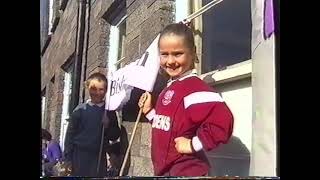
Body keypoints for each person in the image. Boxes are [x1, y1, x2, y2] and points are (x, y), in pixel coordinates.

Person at [138, 23, 234, 176]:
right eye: (164, 54)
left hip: (187, 170)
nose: (170, 61)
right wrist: (149, 111)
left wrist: (192, 144)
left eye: (177, 54)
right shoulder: (168, 88)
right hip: (164, 170)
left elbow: (223, 123)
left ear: (192, 53)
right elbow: (166, 125)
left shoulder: (195, 88)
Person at [63, 72, 120, 177]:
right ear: (87, 88)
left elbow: (115, 135)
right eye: (93, 89)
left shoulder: (109, 111)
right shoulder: (79, 110)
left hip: (98, 158)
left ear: (106, 90)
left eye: (101, 89)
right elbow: (69, 136)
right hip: (79, 157)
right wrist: (67, 158)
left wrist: (107, 126)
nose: (97, 93)